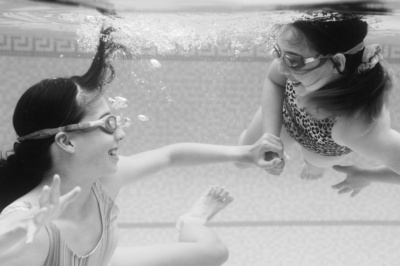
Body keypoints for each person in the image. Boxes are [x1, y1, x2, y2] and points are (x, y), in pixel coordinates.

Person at [0, 27, 282, 266]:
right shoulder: (30, 228)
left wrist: (245, 153)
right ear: (66, 141)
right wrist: (9, 238)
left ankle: (191, 221)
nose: (121, 132)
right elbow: (11, 233)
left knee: (214, 253)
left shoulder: (105, 181)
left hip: (99, 258)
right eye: (108, 123)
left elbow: (171, 155)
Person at [237, 11, 399, 191]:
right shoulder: (294, 61)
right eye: (278, 52)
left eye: (292, 60)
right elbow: (274, 80)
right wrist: (271, 137)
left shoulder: (358, 128)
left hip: (322, 146)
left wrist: (369, 175)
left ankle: (314, 167)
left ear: (338, 62)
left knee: (314, 163)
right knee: (241, 160)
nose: (281, 67)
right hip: (287, 112)